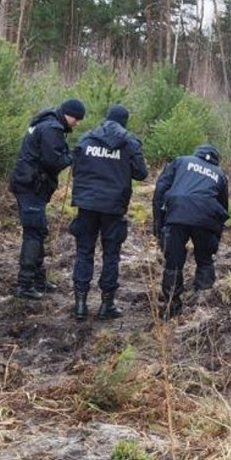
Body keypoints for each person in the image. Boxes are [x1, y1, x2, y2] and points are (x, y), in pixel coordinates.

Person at [69, 105, 149, 321]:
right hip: (113, 206)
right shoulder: (129, 143)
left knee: (84, 251)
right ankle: (107, 305)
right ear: (124, 122)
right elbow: (142, 173)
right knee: (111, 254)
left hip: (86, 204)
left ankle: (80, 305)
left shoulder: (87, 138)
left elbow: (75, 168)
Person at [9, 98, 85, 300]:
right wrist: (72, 156)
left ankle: (38, 279)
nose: (77, 123)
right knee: (34, 232)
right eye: (76, 119)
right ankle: (25, 284)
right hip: (30, 186)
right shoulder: (52, 128)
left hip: (29, 184)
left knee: (39, 230)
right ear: (68, 114)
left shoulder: (45, 123)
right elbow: (54, 161)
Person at [153, 144, 230, 318]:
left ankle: (171, 307)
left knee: (173, 262)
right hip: (206, 218)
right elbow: (223, 208)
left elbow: (160, 190)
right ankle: (202, 307)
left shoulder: (181, 161)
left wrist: (159, 225)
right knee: (205, 260)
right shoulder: (219, 174)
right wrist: (216, 237)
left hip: (177, 214)